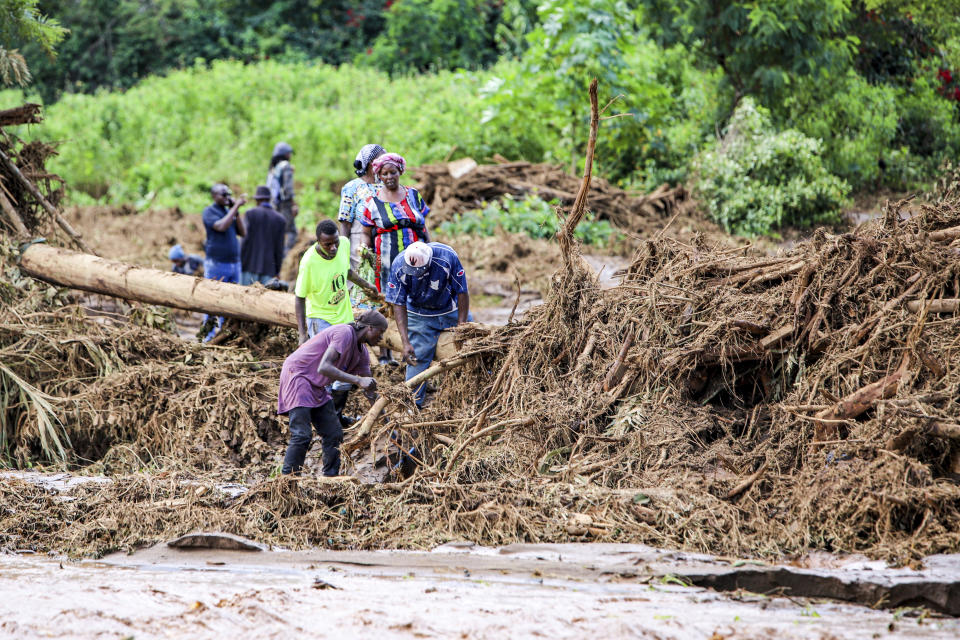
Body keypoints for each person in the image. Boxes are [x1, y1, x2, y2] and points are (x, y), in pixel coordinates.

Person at [277, 310, 388, 476]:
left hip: (317, 385)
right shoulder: (344, 333)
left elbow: (370, 391)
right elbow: (324, 367)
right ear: (370, 328)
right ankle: (287, 481)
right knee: (302, 435)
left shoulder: (363, 353)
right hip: (298, 375)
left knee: (334, 433)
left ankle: (331, 478)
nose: (381, 338)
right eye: (381, 332)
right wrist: (358, 381)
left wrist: (386, 422)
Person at [386, 241, 470, 406]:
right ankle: (412, 409)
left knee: (474, 348)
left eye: (420, 271)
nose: (416, 274)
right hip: (419, 315)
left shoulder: (447, 257)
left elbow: (462, 291)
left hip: (449, 310)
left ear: (429, 262)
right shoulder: (398, 265)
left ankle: (481, 394)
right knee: (417, 360)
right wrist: (405, 342)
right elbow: (398, 303)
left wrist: (462, 326)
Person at [294, 219, 378, 345]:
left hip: (344, 316)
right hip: (321, 318)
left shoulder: (344, 244)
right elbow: (299, 297)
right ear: (318, 242)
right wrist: (302, 334)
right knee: (324, 357)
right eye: (327, 244)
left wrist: (366, 285)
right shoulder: (308, 263)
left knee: (345, 355)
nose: (333, 248)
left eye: (335, 242)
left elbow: (346, 271)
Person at [359, 152, 430, 293]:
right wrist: (364, 250)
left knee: (417, 295)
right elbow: (365, 233)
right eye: (384, 174)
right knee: (390, 298)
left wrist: (430, 248)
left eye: (393, 172)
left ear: (400, 172)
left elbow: (424, 226)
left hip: (417, 258)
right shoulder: (372, 203)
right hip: (385, 261)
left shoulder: (413, 195)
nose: (389, 177)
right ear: (379, 175)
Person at [338, 143, 385, 304]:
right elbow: (345, 223)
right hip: (358, 244)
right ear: (372, 164)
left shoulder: (385, 185)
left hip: (382, 241)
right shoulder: (352, 187)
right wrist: (342, 251)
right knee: (360, 281)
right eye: (382, 160)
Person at [201, 183, 246, 341]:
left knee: (231, 301)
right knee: (212, 299)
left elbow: (243, 232)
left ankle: (224, 336)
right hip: (217, 264)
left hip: (234, 263)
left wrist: (236, 210)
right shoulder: (209, 211)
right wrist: (234, 208)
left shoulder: (229, 212)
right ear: (214, 196)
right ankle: (208, 336)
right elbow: (220, 226)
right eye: (223, 195)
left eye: (228, 194)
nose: (226, 197)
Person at [240, 185, 287, 286]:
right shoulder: (280, 219)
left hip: (249, 266)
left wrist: (240, 261)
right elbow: (279, 248)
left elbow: (244, 241)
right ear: (269, 199)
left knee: (244, 298)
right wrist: (277, 270)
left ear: (257, 200)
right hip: (269, 269)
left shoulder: (250, 214)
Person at [267, 141, 298, 255]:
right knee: (291, 231)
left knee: (277, 230)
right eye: (289, 153)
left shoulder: (273, 168)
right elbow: (287, 188)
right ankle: (287, 257)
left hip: (273, 204)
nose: (290, 156)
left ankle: (275, 254)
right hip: (284, 204)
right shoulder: (286, 166)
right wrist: (293, 204)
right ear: (285, 154)